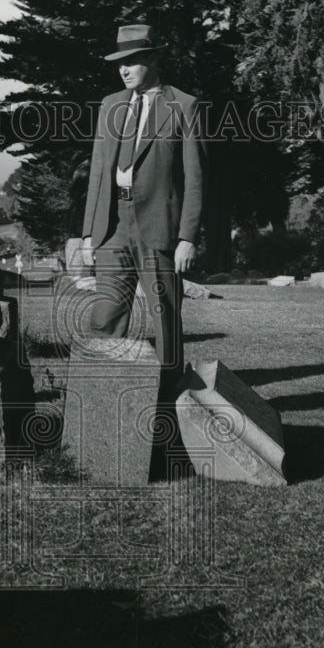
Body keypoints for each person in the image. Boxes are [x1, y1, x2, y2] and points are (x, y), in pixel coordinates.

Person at [81, 24, 207, 393]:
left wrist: (187, 236)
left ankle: (170, 402)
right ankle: (105, 397)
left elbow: (195, 177)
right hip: (112, 226)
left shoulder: (183, 105)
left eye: (132, 61)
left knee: (164, 318)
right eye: (119, 62)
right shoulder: (110, 105)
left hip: (159, 227)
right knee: (105, 315)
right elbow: (98, 174)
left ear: (152, 59)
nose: (123, 69)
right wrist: (90, 231)